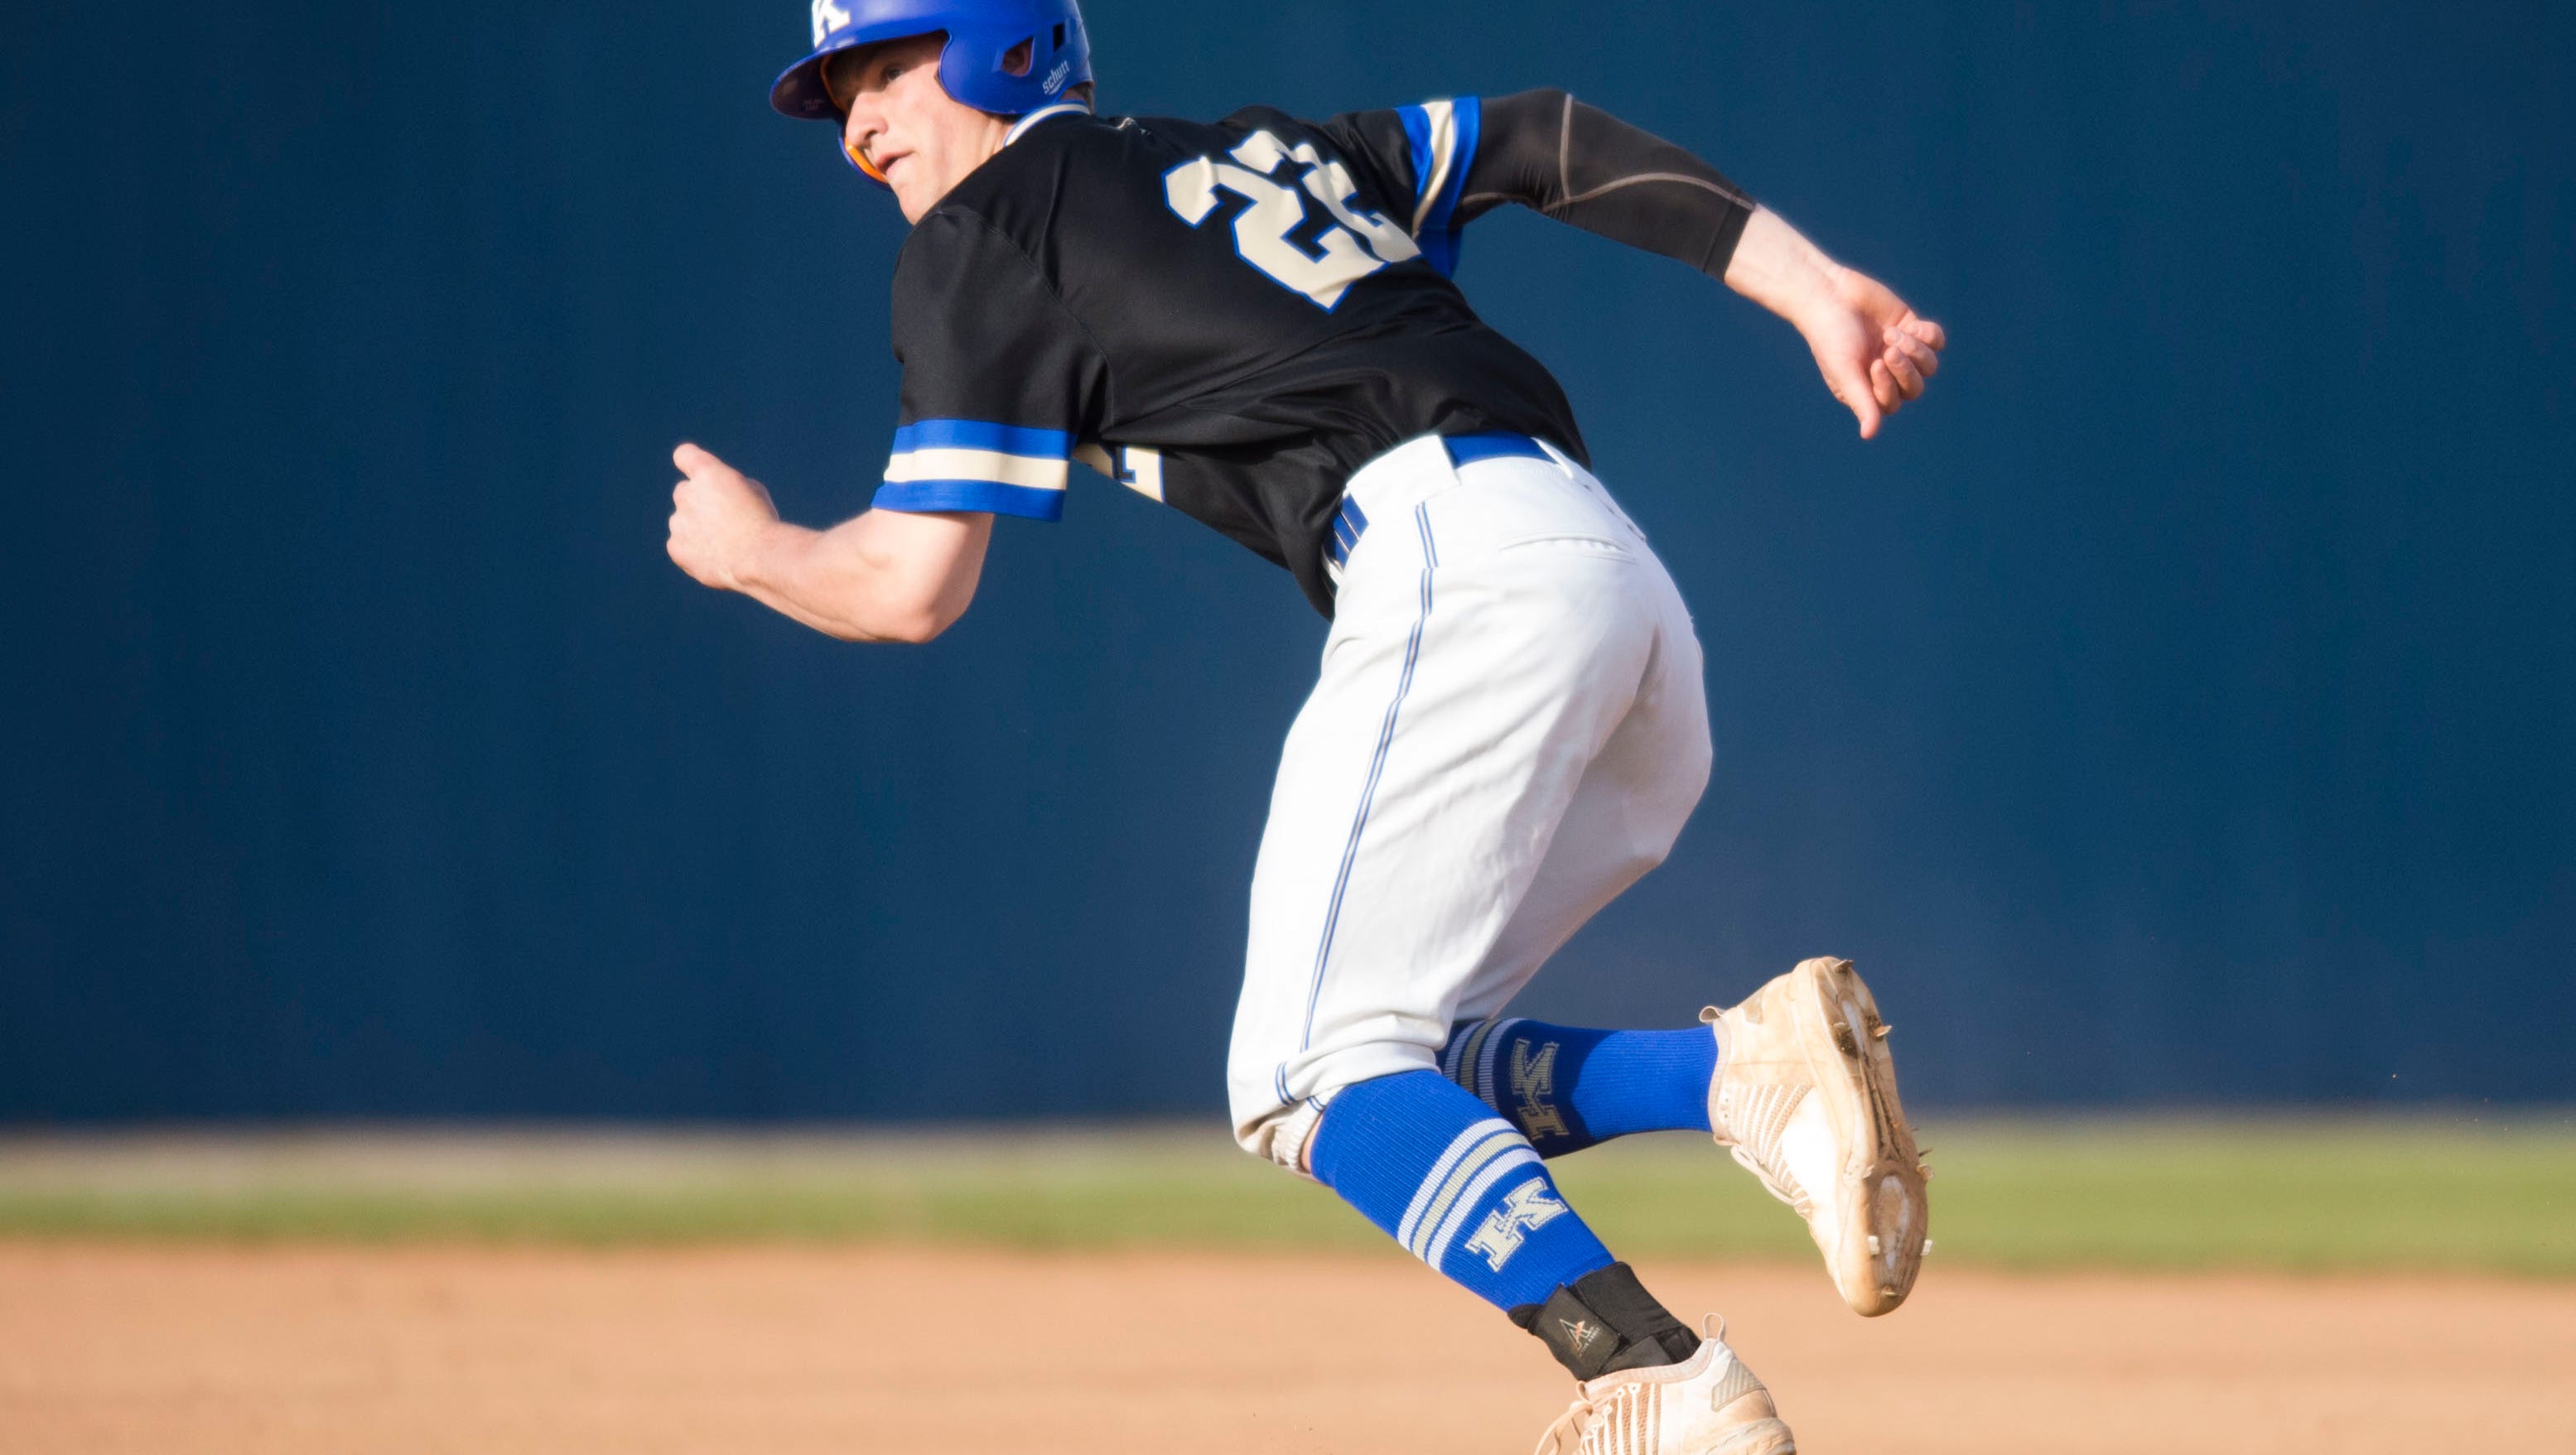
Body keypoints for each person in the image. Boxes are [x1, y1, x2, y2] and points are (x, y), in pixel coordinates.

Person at [667, 2, 1946, 1449]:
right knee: (1407, 1053)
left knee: (1302, 1075)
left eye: (888, 69)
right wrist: (1810, 285)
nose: (859, 124)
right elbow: (1539, 134)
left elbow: (909, 588)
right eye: (840, 91)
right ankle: (1734, 1071)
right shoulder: (1266, 151)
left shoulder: (983, 230)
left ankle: (1649, 1377)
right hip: (1617, 591)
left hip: (1451, 565)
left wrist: (755, 550)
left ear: (1001, 50)